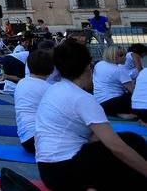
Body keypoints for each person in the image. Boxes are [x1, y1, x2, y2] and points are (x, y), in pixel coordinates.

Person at [35, 39, 147, 189]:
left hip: (47, 171)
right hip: (66, 171)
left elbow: (95, 138)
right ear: (88, 67)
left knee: (129, 140)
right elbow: (117, 147)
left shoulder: (54, 89)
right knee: (133, 144)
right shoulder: (83, 98)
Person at [14, 48, 53, 153]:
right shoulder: (49, 89)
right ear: (51, 69)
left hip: (25, 138)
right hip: (39, 140)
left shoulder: (21, 83)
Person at [93, 45, 136, 118]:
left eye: (125, 54)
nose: (124, 57)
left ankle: (117, 113)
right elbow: (134, 91)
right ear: (112, 55)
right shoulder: (119, 70)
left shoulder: (99, 64)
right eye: (121, 55)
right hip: (115, 103)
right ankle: (122, 112)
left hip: (99, 103)